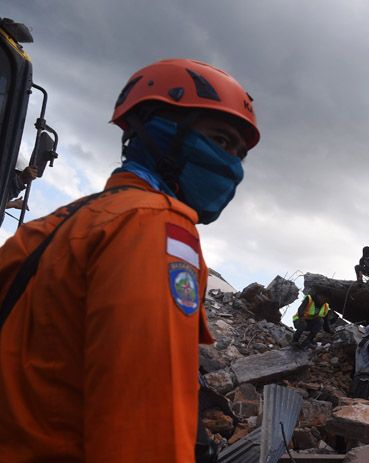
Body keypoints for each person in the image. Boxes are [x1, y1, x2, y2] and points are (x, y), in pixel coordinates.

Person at [0, 59, 259, 462]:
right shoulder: (157, 228)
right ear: (160, 130)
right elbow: (145, 423)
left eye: (240, 154)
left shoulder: (53, 227)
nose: (233, 168)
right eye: (221, 141)